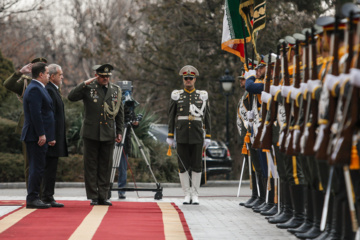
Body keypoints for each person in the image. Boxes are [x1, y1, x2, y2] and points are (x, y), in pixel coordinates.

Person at [68, 64, 124, 206]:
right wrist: (83, 83)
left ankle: (103, 196)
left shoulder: (116, 90)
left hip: (108, 132)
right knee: (91, 165)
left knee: (106, 165)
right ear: (96, 76)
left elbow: (119, 113)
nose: (106, 79)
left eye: (107, 76)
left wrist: (119, 132)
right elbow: (71, 97)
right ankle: (93, 195)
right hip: (91, 132)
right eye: (103, 76)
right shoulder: (88, 88)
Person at [166, 65, 211, 205]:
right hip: (182, 134)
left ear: (195, 79)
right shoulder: (177, 95)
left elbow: (207, 116)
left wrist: (208, 135)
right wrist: (170, 135)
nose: (188, 80)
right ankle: (186, 194)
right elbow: (171, 116)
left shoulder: (202, 96)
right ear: (183, 79)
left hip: (197, 134)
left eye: (190, 78)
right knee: (183, 165)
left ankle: (195, 193)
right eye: (186, 78)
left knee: (197, 165)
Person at [4, 57, 48, 187]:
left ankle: (44, 194)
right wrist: (20, 73)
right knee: (31, 163)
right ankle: (33, 193)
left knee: (45, 162)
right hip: (30, 126)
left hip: (47, 126)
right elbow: (8, 84)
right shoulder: (26, 83)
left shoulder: (50, 82)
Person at [21, 62, 56, 209]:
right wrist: (42, 134)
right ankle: (33, 198)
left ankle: (35, 197)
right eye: (47, 73)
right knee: (36, 167)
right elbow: (36, 114)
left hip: (38, 135)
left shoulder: (38, 88)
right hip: (35, 136)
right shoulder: (35, 89)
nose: (49, 76)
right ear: (41, 74)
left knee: (39, 166)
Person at [41, 64, 68, 207]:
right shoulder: (50, 90)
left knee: (51, 168)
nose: (62, 77)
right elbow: (49, 116)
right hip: (51, 138)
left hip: (54, 136)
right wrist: (51, 136)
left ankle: (48, 196)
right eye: (60, 74)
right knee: (49, 168)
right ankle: (46, 196)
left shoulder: (54, 90)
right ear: (52, 76)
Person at [117, 96, 139, 199]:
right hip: (114, 138)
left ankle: (121, 191)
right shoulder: (114, 104)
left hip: (125, 141)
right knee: (108, 167)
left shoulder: (130, 105)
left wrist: (135, 122)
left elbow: (133, 122)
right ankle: (104, 190)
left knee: (123, 168)